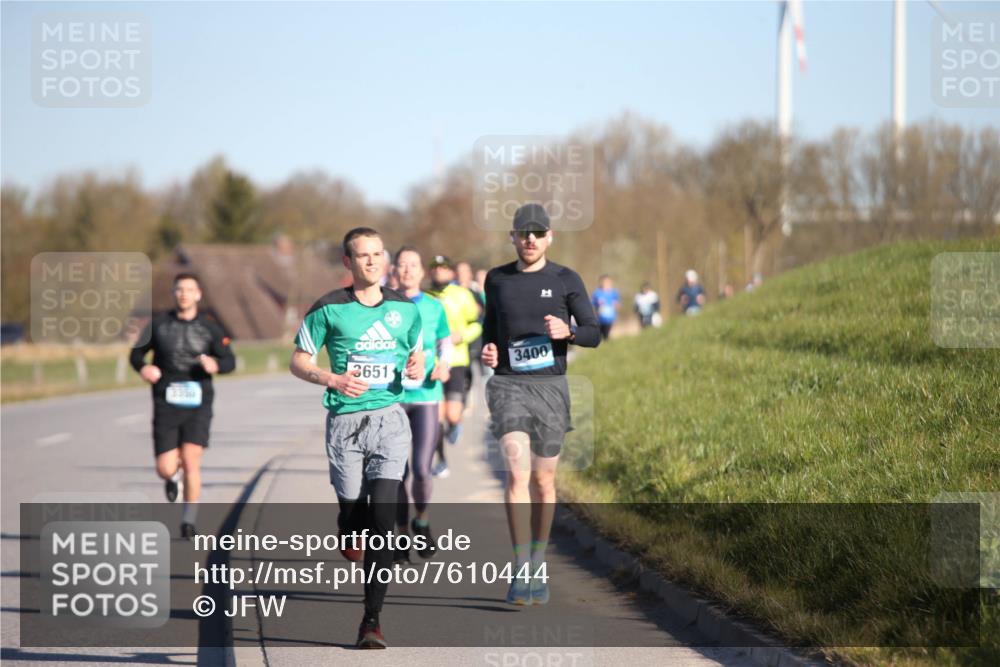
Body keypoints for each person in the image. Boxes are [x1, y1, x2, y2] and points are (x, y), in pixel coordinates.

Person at [289, 227, 424, 649]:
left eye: (378, 254)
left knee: (383, 523)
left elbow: (415, 351)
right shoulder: (329, 309)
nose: (373, 261)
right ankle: (348, 526)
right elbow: (298, 360)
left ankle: (372, 620)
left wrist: (418, 365)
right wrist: (330, 377)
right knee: (353, 516)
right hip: (345, 425)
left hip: (390, 421)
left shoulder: (405, 308)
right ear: (347, 263)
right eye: (363, 256)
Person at [481, 203, 600, 605]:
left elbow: (594, 333)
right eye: (522, 232)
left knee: (543, 481)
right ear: (512, 237)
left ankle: (538, 558)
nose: (529, 239)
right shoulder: (496, 280)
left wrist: (568, 332)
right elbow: (488, 331)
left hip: (551, 388)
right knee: (517, 477)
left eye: (537, 232)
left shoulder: (566, 279)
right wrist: (489, 352)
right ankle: (518, 567)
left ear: (549, 237)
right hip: (509, 386)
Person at [130, 273, 235, 539]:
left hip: (199, 401)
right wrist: (144, 368)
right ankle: (171, 478)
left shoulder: (210, 328)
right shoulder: (159, 325)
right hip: (166, 399)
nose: (184, 294)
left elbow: (229, 361)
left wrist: (216, 365)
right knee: (165, 467)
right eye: (179, 289)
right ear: (174, 293)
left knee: (191, 461)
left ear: (198, 294)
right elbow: (136, 354)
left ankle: (188, 521)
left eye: (189, 289)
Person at [393, 247, 453, 564]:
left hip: (426, 396)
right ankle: (401, 534)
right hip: (393, 399)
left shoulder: (433, 306)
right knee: (396, 473)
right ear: (394, 270)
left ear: (421, 272)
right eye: (402, 265)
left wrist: (444, 364)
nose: (407, 270)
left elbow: (445, 342)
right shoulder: (383, 306)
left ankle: (422, 521)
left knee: (420, 469)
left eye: (413, 265)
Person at [426, 255, 482, 478]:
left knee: (452, 413)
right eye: (435, 268)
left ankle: (455, 424)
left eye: (443, 268)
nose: (439, 271)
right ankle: (441, 459)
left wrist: (463, 336)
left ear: (451, 273)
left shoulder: (462, 295)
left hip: (457, 361)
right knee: (435, 416)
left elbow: (477, 324)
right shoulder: (425, 297)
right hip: (432, 363)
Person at [591, 275, 621, 341]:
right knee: (599, 333)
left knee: (606, 333)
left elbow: (618, 303)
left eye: (608, 282)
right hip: (600, 317)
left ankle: (606, 343)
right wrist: (598, 305)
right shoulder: (597, 292)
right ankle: (601, 343)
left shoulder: (614, 292)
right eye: (605, 282)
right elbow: (592, 303)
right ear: (601, 283)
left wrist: (616, 305)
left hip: (610, 317)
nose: (607, 284)